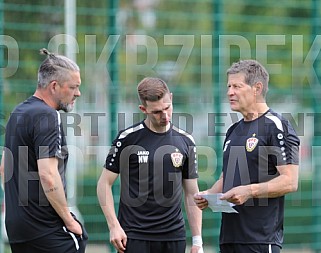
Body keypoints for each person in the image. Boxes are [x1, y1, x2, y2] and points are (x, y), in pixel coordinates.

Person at [194, 59, 300, 253]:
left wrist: (249, 191)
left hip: (260, 240)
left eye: (236, 86)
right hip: (229, 238)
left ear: (256, 88)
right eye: (228, 86)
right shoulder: (233, 130)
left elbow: (290, 181)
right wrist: (208, 195)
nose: (229, 92)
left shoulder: (277, 126)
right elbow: (227, 178)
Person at [97, 77, 203, 253]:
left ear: (171, 97)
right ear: (143, 109)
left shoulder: (186, 141)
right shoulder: (127, 138)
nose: (165, 116)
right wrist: (113, 226)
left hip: (173, 236)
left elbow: (192, 193)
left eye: (167, 108)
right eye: (156, 112)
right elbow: (104, 183)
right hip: (134, 236)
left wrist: (197, 241)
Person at [0, 48, 88, 253]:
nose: (78, 93)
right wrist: (69, 219)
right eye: (73, 87)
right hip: (46, 226)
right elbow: (48, 175)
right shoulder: (48, 116)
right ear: (55, 86)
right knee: (78, 237)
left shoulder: (18, 113)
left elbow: (4, 168)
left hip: (17, 227)